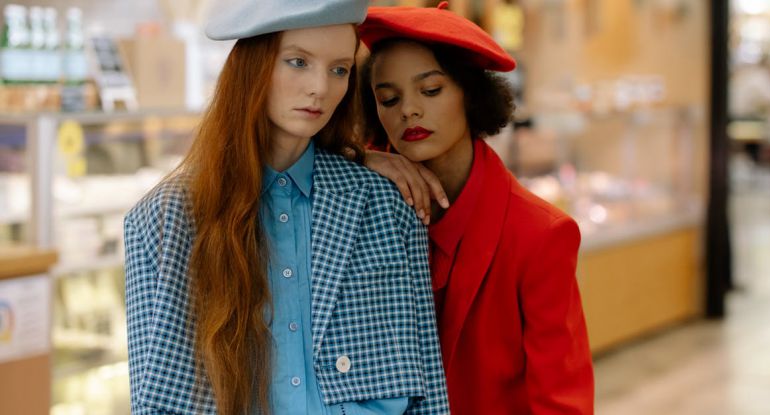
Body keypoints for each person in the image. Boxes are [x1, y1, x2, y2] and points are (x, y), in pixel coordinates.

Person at [123, 1, 448, 414]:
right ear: (254, 66)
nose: (321, 88)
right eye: (298, 62)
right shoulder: (164, 219)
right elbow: (155, 403)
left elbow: (428, 393)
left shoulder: (385, 205)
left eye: (339, 69)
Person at [358, 3, 594, 414]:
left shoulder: (539, 234)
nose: (408, 110)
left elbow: (561, 399)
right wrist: (361, 158)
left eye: (430, 90)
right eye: (388, 98)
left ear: (471, 94)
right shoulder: (364, 205)